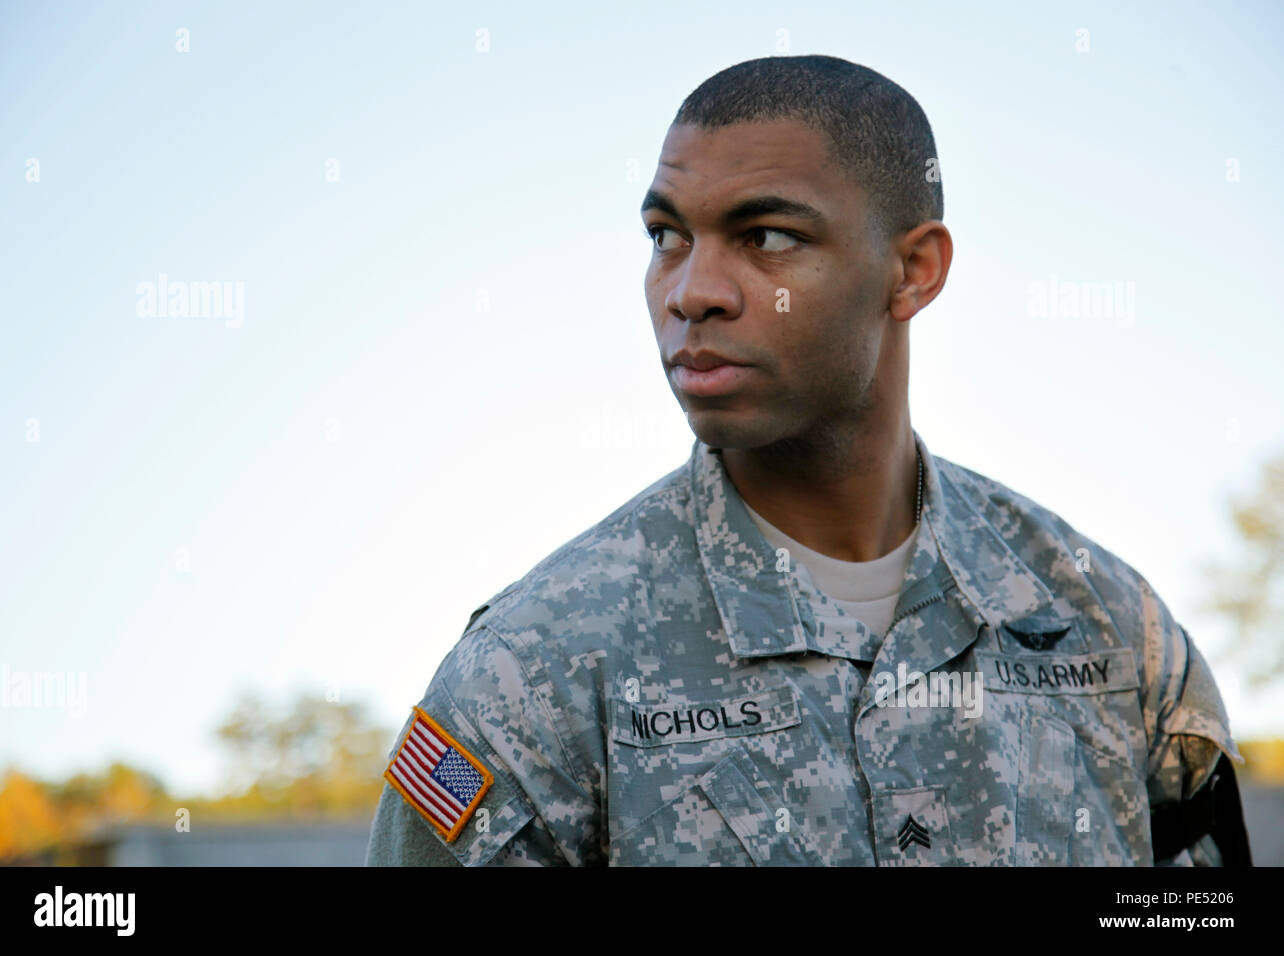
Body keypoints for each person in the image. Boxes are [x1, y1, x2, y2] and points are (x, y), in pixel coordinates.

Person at [365, 54, 1251, 867]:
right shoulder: (530, 676)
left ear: (914, 271)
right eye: (667, 235)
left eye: (767, 237)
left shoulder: (1104, 627)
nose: (691, 291)